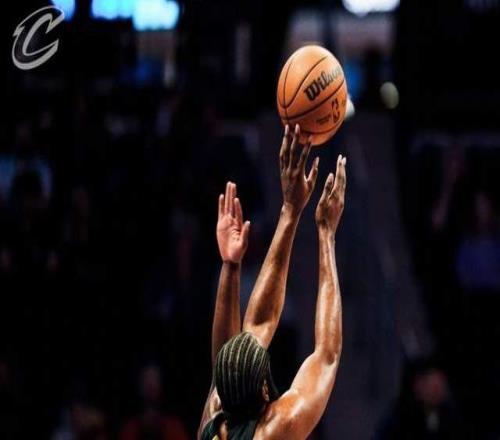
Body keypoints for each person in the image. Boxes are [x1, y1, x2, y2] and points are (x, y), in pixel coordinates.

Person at [198, 124, 346, 439]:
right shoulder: (277, 429)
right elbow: (327, 354)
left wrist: (230, 266)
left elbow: (251, 333)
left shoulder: (212, 424)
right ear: (265, 390)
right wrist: (326, 234)